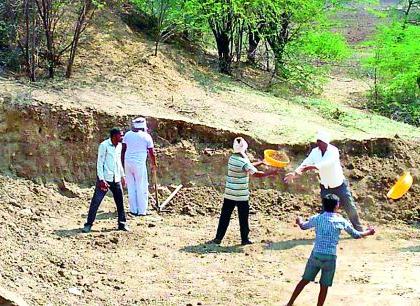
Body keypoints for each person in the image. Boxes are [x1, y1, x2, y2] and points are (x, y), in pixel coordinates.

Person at [286, 194, 375, 306]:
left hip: (316, 254)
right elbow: (356, 235)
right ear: (337, 206)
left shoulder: (317, 218)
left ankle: (290, 303)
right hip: (330, 257)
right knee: (324, 286)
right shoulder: (341, 221)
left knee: (304, 280)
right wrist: (369, 232)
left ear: (323, 205)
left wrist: (299, 220)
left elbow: (303, 226)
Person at [284, 130, 364, 231]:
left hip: (339, 185)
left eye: (320, 141)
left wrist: (309, 167)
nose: (318, 143)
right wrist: (295, 173)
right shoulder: (315, 152)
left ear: (326, 142)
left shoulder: (333, 151)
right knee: (326, 211)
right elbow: (305, 162)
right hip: (325, 186)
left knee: (350, 207)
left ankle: (359, 230)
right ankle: (322, 229)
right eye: (318, 141)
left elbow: (326, 164)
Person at [208, 137, 280, 246]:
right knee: (243, 218)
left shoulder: (233, 158)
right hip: (241, 195)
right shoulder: (242, 160)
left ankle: (218, 238)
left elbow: (248, 166)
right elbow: (255, 173)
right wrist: (270, 173)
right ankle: (244, 239)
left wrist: (261, 162)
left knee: (225, 217)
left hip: (229, 194)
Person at [83, 127, 128, 233]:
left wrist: (123, 176)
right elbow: (100, 163)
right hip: (105, 180)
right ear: (114, 136)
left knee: (120, 202)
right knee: (96, 202)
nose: (122, 137)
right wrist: (101, 179)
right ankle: (88, 224)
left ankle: (122, 224)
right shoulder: (104, 145)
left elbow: (118, 162)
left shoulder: (120, 146)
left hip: (116, 179)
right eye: (120, 135)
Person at [121, 117, 157, 216]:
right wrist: (154, 164)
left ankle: (133, 210)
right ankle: (142, 211)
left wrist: (122, 164)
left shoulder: (127, 135)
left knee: (131, 187)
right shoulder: (146, 136)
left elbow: (123, 150)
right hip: (139, 164)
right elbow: (151, 152)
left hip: (127, 163)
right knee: (141, 186)